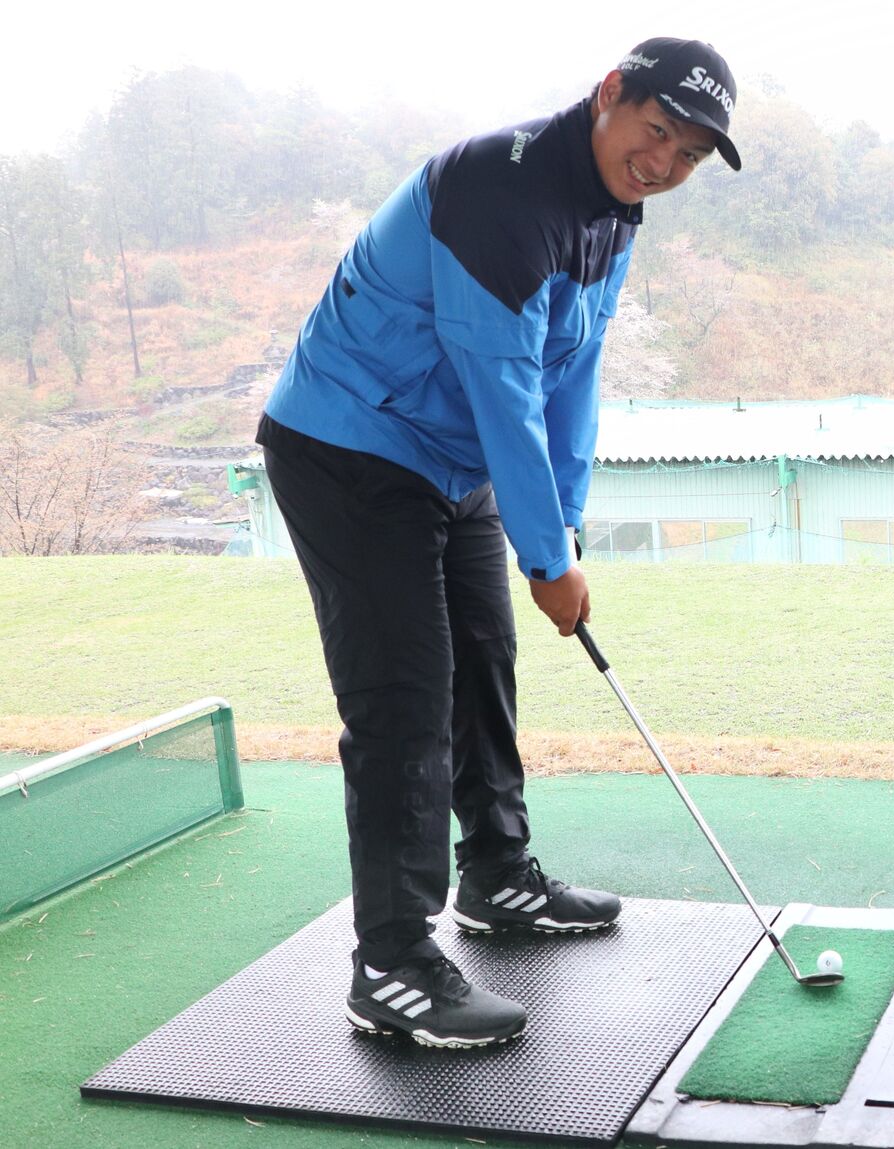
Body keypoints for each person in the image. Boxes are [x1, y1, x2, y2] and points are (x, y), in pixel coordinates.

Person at [255, 37, 741, 1048]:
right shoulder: (497, 191)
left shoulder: (614, 213)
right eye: (657, 131)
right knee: (403, 696)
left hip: (450, 453)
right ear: (611, 93)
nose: (664, 163)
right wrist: (548, 561)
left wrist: (563, 523)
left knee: (483, 658)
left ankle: (497, 875)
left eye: (690, 156)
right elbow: (504, 382)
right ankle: (391, 964)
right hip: (351, 441)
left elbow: (577, 366)